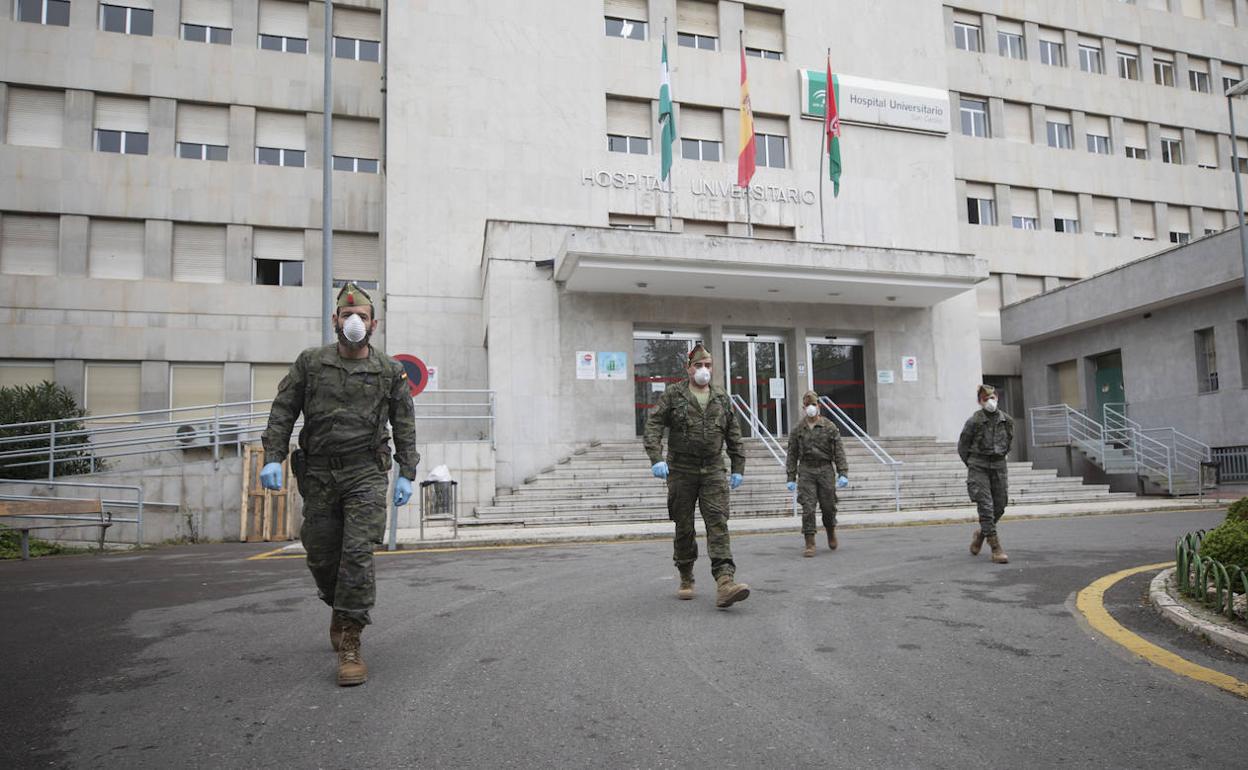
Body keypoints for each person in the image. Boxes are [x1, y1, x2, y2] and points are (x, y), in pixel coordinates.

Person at [259, 282, 420, 686]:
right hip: (318, 474)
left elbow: (404, 423)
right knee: (321, 555)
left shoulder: (388, 370)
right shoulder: (311, 363)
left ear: (374, 324)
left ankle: (351, 640)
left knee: (357, 554)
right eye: (348, 316)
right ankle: (339, 605)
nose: (354, 322)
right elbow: (283, 410)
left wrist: (407, 470)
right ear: (335, 320)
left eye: (362, 317)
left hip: (365, 472)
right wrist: (273, 457)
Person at [643, 344, 750, 608]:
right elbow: (653, 425)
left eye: (708, 366)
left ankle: (725, 582)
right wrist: (656, 459)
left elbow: (734, 435)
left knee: (718, 524)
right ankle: (686, 574)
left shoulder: (722, 397)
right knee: (684, 526)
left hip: (713, 469)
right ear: (688, 368)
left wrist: (738, 467)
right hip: (681, 471)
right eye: (699, 366)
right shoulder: (674, 394)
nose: (704, 371)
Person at [785, 390, 849, 557]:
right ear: (803, 407)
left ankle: (830, 530)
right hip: (806, 470)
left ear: (819, 406)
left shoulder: (829, 426)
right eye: (808, 405)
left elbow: (839, 451)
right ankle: (810, 542)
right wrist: (790, 477)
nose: (811, 408)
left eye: (814, 405)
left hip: (825, 469)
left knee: (828, 506)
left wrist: (843, 472)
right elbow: (792, 454)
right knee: (808, 508)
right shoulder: (798, 429)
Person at [958, 384, 1013, 564]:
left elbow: (1009, 443)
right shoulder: (974, 421)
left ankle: (981, 534)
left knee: (1001, 505)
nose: (990, 401)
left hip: (998, 465)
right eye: (985, 399)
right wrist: (973, 465)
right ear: (979, 401)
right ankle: (996, 548)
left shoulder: (1007, 420)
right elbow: (962, 447)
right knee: (986, 507)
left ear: (997, 397)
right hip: (978, 466)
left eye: (992, 397)